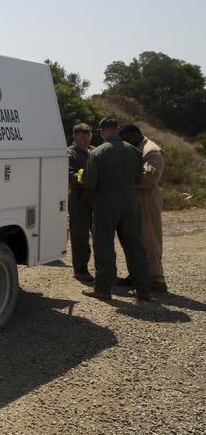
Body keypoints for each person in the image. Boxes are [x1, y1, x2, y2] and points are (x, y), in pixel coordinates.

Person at [79, 118, 153, 301]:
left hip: (106, 201)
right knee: (135, 245)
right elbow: (138, 179)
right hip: (130, 202)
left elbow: (89, 182)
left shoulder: (97, 153)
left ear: (103, 132)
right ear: (118, 130)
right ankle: (144, 290)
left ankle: (103, 288)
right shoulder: (134, 152)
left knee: (104, 244)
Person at [119, 124, 167, 292]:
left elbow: (151, 175)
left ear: (133, 136)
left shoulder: (151, 151)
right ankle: (138, 275)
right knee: (135, 238)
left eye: (125, 139)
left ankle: (155, 279)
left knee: (149, 238)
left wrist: (123, 177)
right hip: (134, 197)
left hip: (146, 197)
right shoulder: (136, 149)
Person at [67, 123, 94, 283]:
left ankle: (103, 270)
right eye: (82, 138)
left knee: (100, 236)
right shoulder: (71, 154)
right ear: (75, 137)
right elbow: (71, 176)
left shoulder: (95, 151)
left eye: (88, 137)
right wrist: (86, 176)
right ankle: (81, 270)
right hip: (79, 198)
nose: (86, 141)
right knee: (80, 235)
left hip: (96, 198)